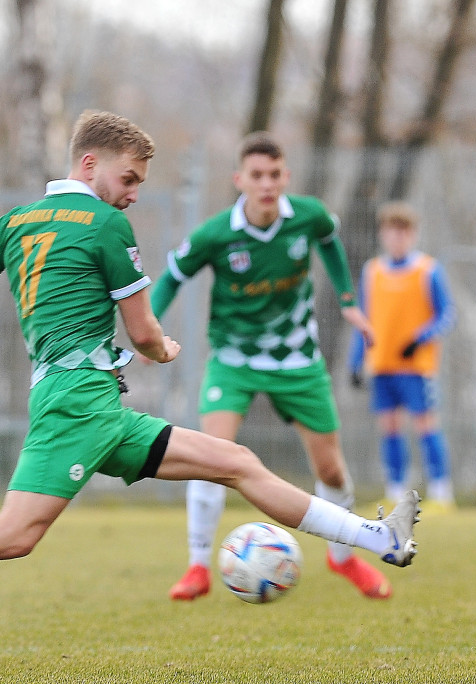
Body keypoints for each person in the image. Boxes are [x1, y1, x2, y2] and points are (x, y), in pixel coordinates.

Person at [0, 112, 420, 627]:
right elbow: (144, 331)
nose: (132, 196)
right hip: (78, 403)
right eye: (129, 180)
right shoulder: (104, 224)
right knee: (11, 534)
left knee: (237, 462)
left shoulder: (19, 220)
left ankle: (379, 537)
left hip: (94, 404)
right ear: (89, 163)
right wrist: (164, 350)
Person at [149, 131, 392, 601]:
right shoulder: (215, 234)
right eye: (256, 176)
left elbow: (330, 245)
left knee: (332, 471)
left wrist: (347, 302)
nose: (266, 184)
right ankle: (198, 566)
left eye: (275, 175)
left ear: (286, 177)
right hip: (233, 360)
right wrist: (151, 329)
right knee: (210, 456)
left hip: (297, 360)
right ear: (239, 179)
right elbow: (172, 278)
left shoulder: (308, 216)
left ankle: (343, 558)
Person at [348, 201, 457, 513]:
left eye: (403, 232)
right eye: (391, 231)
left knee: (426, 426)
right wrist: (355, 362)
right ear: (383, 234)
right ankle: (395, 491)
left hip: (416, 366)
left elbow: (447, 314)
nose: (397, 238)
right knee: (390, 427)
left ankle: (441, 492)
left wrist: (420, 338)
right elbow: (364, 318)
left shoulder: (428, 270)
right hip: (382, 364)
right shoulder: (373, 271)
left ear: (412, 234)